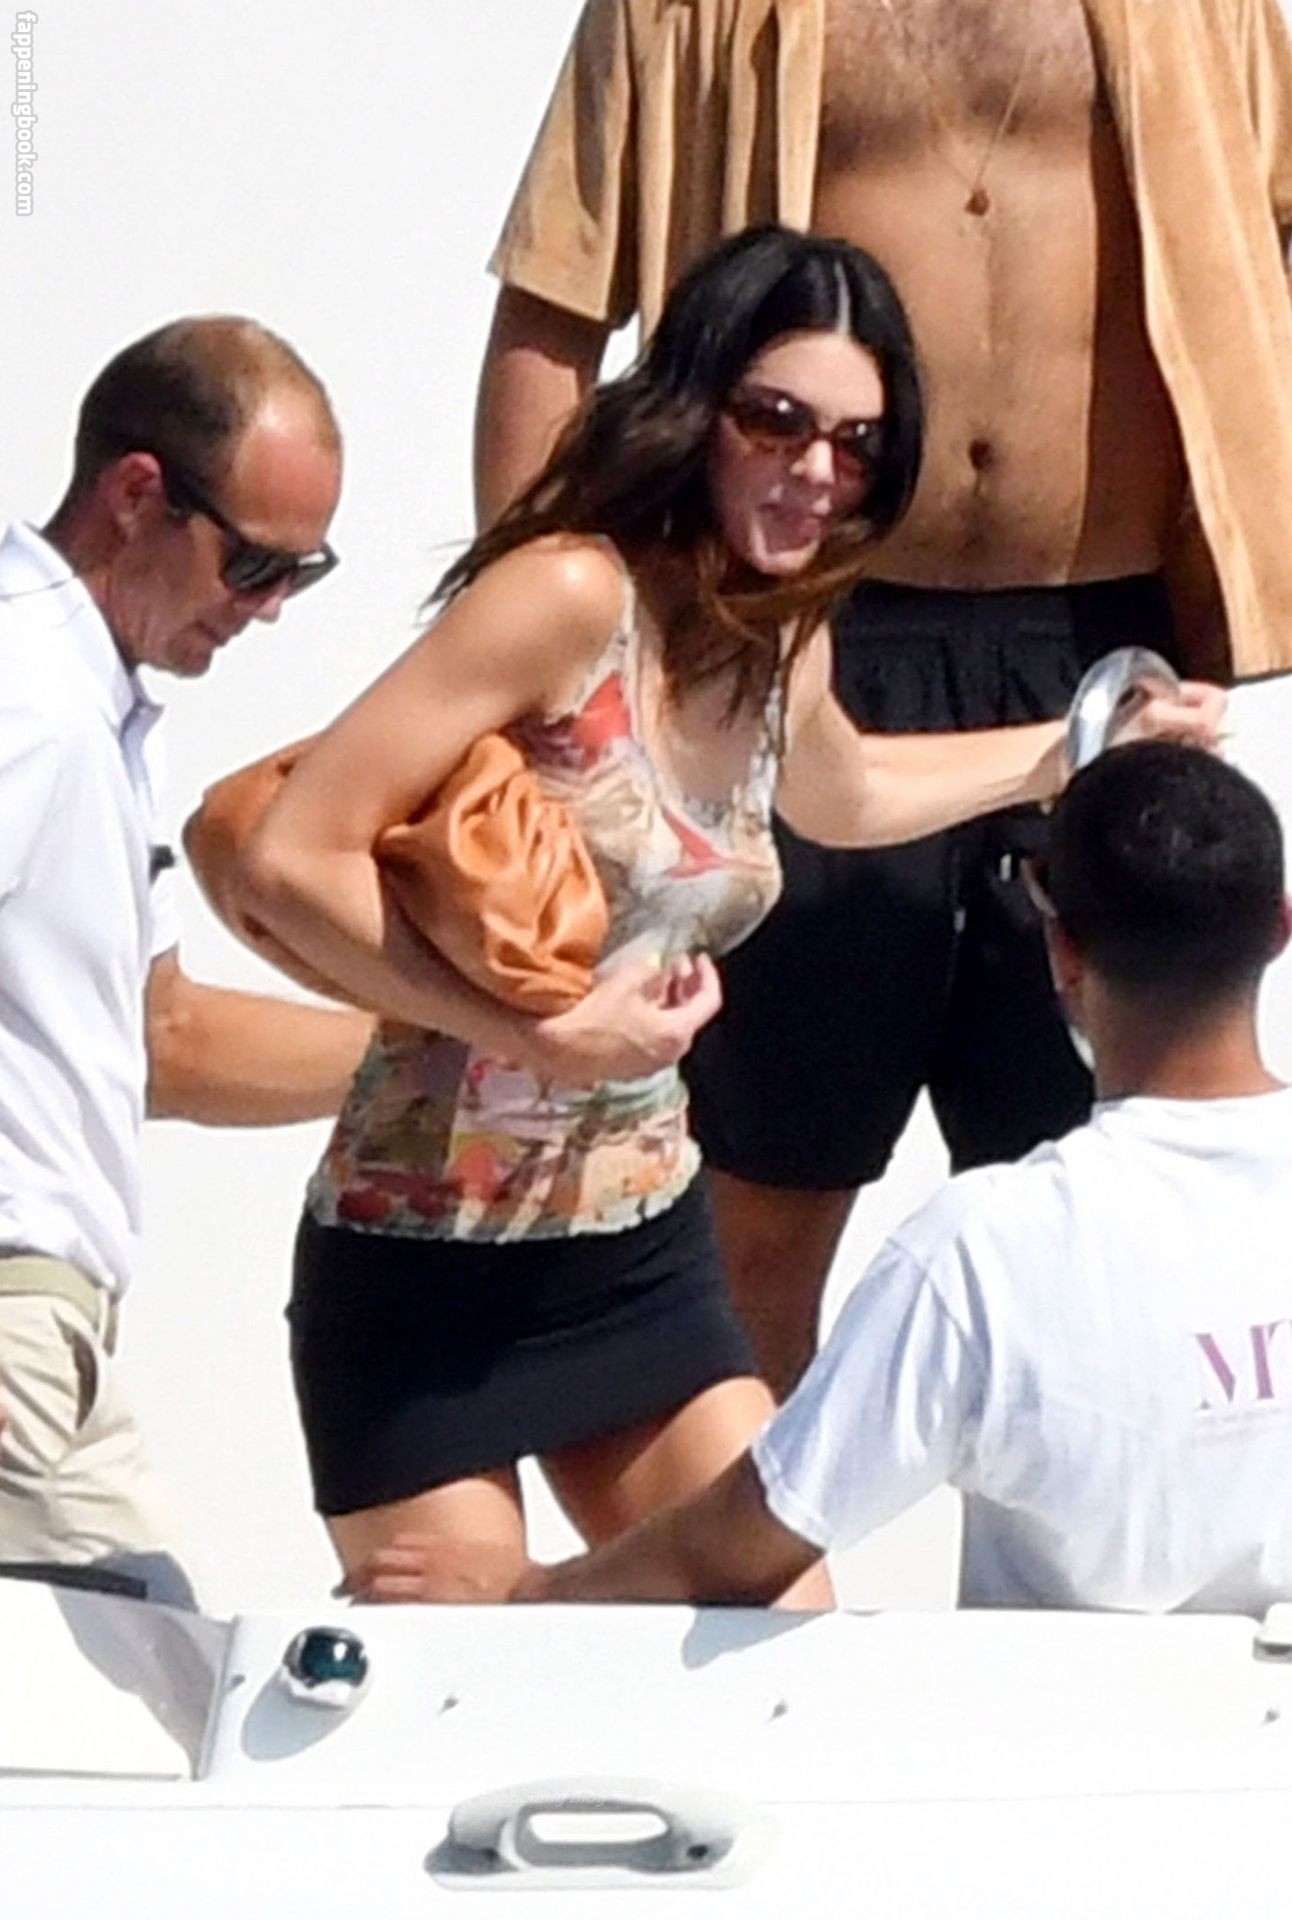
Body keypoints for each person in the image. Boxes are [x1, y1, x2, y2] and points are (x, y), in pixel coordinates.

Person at [235, 227, 1221, 1599]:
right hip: (420, 1260)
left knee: (775, 1623)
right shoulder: (570, 595)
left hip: (636, 1253)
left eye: (856, 445)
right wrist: (538, 1030)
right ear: (698, 407)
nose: (816, 471)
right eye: (777, 421)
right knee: (459, 1663)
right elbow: (291, 853)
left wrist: (1076, 748)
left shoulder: (777, 628)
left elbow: (843, 789)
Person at [476, 0, 1292, 1397]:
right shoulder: (685, 12)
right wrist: (546, 664)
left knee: (1109, 1202)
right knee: (757, 1210)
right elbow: (551, 311)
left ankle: (1086, 1549)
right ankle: (734, 1536)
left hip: (1113, 650)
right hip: (798, 637)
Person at [352, 742, 1292, 1618]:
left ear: (1063, 952)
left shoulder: (986, 1246)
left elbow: (756, 1538)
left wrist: (528, 1591)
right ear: (1280, 928)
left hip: (1068, 1738)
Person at [0, 317, 374, 1604]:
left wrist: (464, 1050)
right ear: (135, 494)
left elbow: (164, 1040)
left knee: (150, 1680)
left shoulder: (96, 700)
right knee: (147, 1694)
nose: (266, 610)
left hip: (53, 1326)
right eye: (254, 564)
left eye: (300, 577)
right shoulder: (26, 693)